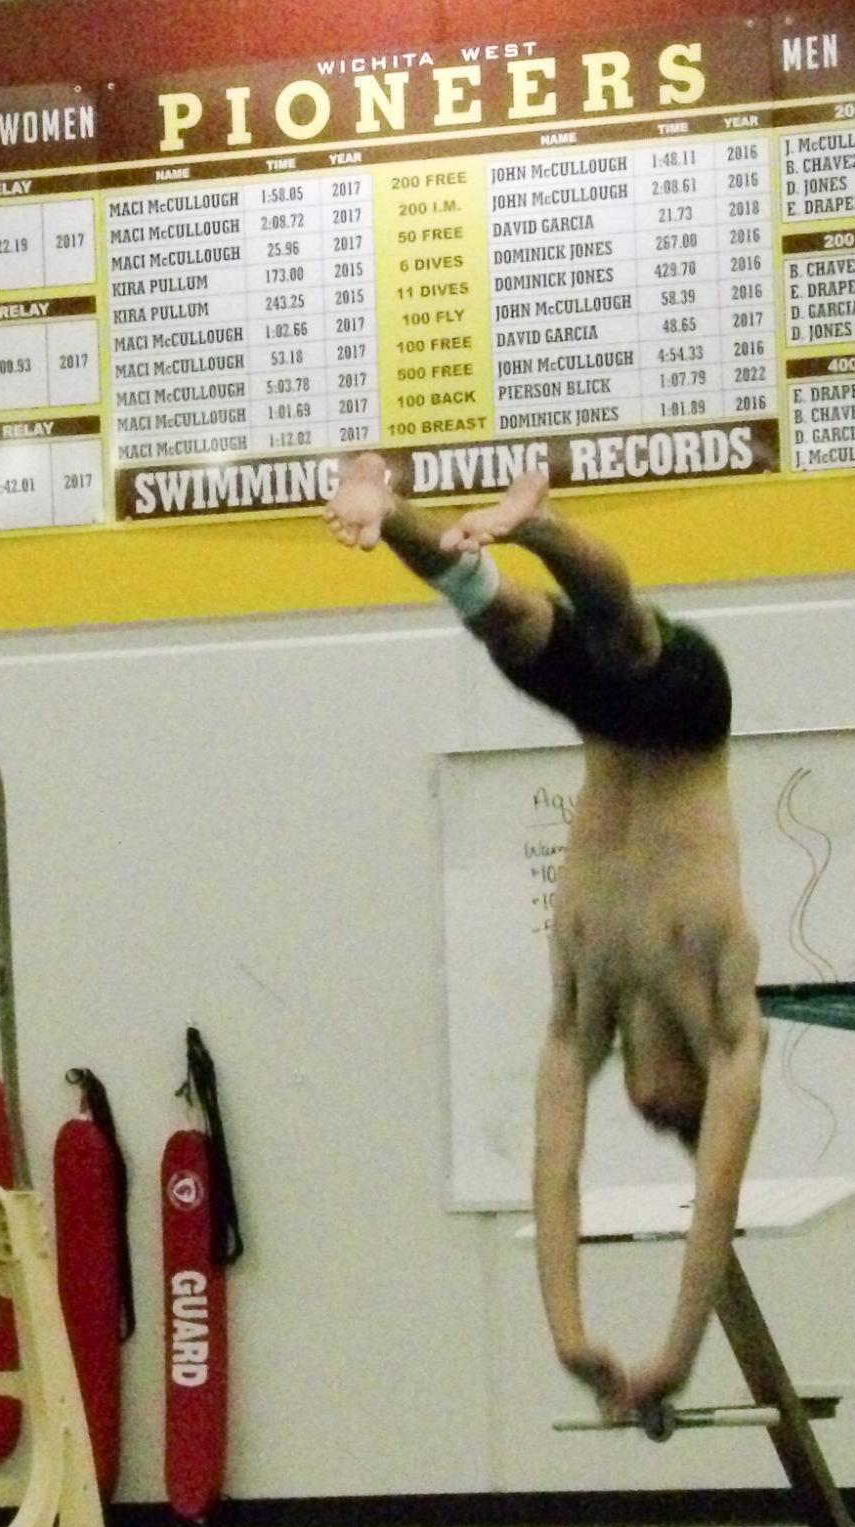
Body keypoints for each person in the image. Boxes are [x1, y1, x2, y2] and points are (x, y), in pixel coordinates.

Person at [325, 455, 764, 1425]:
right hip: (687, 712)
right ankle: (540, 522)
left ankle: (384, 505)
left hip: (604, 727)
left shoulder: (585, 1002)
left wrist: (568, 1337)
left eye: (643, 1120)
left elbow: (551, 1172)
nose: (649, 1114)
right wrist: (676, 1358)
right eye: (668, 1122)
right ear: (692, 1083)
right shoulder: (728, 1013)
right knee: (630, 642)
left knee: (501, 619)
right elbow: (714, 1211)